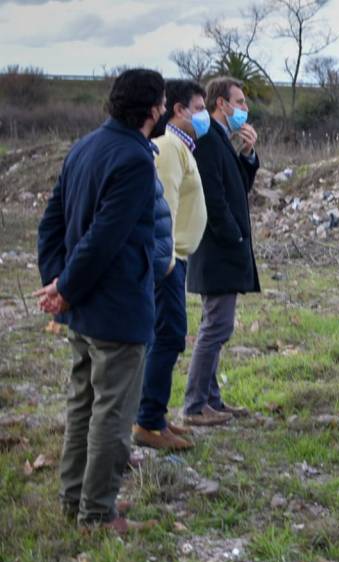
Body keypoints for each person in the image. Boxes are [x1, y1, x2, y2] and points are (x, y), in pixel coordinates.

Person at [35, 68, 167, 532]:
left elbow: (50, 224)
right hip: (115, 309)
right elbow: (103, 239)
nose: (165, 111)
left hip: (84, 307)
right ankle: (97, 512)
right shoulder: (133, 159)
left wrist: (58, 281)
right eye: (164, 103)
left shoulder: (85, 146)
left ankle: (76, 500)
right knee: (112, 413)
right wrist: (64, 285)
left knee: (82, 406)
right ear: (153, 110)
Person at [134, 79, 219, 450]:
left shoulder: (183, 148)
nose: (204, 116)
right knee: (168, 337)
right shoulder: (169, 148)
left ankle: (155, 415)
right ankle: (149, 422)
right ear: (179, 110)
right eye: (199, 108)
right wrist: (166, 260)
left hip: (176, 257)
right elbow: (163, 205)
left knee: (167, 336)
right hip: (169, 261)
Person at [182, 77, 260, 425]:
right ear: (221, 104)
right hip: (217, 250)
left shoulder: (222, 140)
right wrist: (234, 237)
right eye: (239, 102)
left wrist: (247, 156)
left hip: (223, 248)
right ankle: (195, 405)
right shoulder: (209, 141)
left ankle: (210, 399)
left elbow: (238, 189)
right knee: (217, 326)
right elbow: (213, 198)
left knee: (215, 324)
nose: (244, 109)